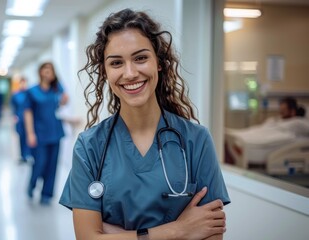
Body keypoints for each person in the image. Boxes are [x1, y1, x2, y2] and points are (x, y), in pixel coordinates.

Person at [59, 8, 230, 240]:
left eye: (140, 58)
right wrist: (178, 229)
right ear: (105, 72)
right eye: (116, 63)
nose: (130, 73)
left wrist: (113, 233)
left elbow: (210, 232)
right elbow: (87, 237)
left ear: (159, 62)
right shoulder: (89, 147)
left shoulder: (196, 140)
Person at [24, 62, 69, 205]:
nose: (48, 73)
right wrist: (30, 133)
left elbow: (63, 102)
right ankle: (32, 185)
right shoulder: (32, 91)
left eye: (51, 70)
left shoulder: (56, 89)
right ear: (40, 72)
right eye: (46, 69)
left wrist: (61, 90)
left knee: (52, 165)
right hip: (39, 133)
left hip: (55, 131)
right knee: (40, 163)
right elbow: (28, 113)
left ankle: (47, 194)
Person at [11, 77, 31, 163]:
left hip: (29, 120)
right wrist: (14, 116)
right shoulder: (16, 95)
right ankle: (23, 156)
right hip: (20, 119)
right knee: (21, 137)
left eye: (24, 82)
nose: (23, 84)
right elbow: (13, 107)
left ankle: (29, 155)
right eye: (21, 83)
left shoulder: (30, 94)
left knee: (29, 137)